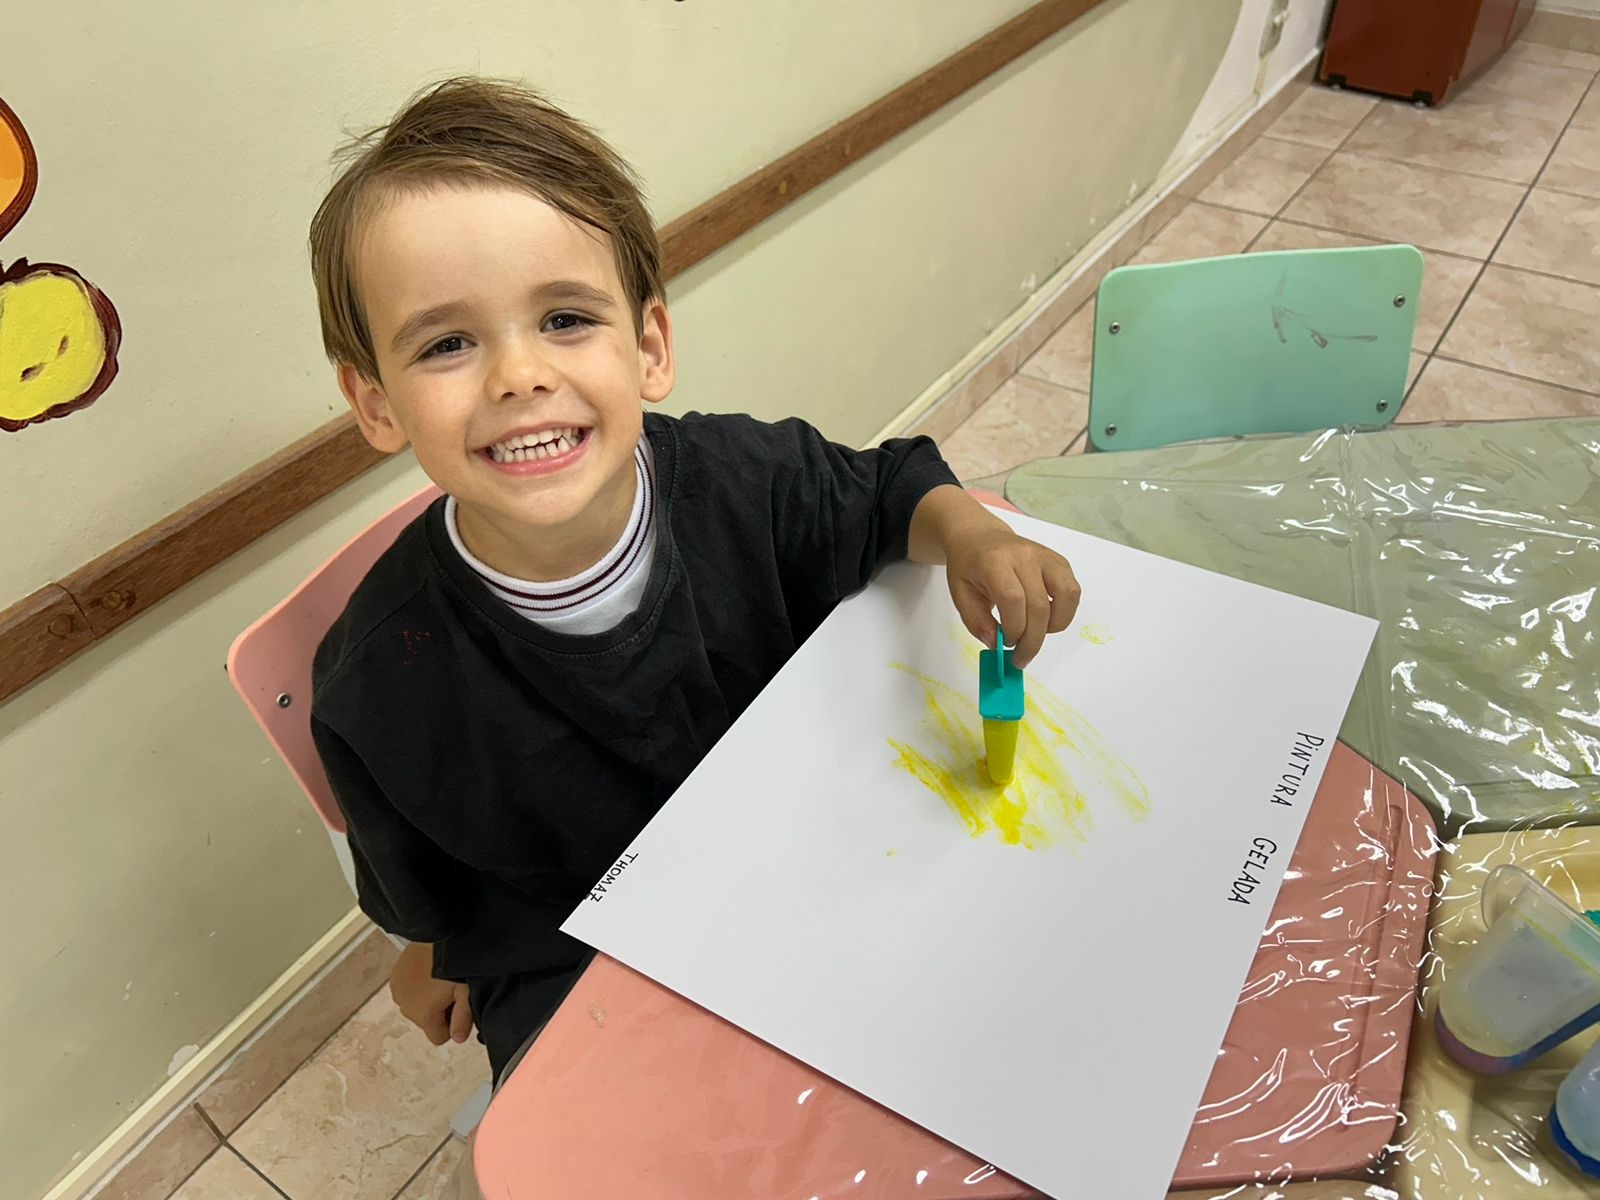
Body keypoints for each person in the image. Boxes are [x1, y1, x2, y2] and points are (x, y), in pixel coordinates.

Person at [307, 76, 1081, 1091]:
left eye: (565, 319)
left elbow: (891, 488)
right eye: (447, 344)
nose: (517, 377)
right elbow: (426, 885)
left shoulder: (744, 481)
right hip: (580, 953)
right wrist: (433, 946)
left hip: (815, 853)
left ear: (649, 348)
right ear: (375, 403)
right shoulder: (376, 683)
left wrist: (972, 535)